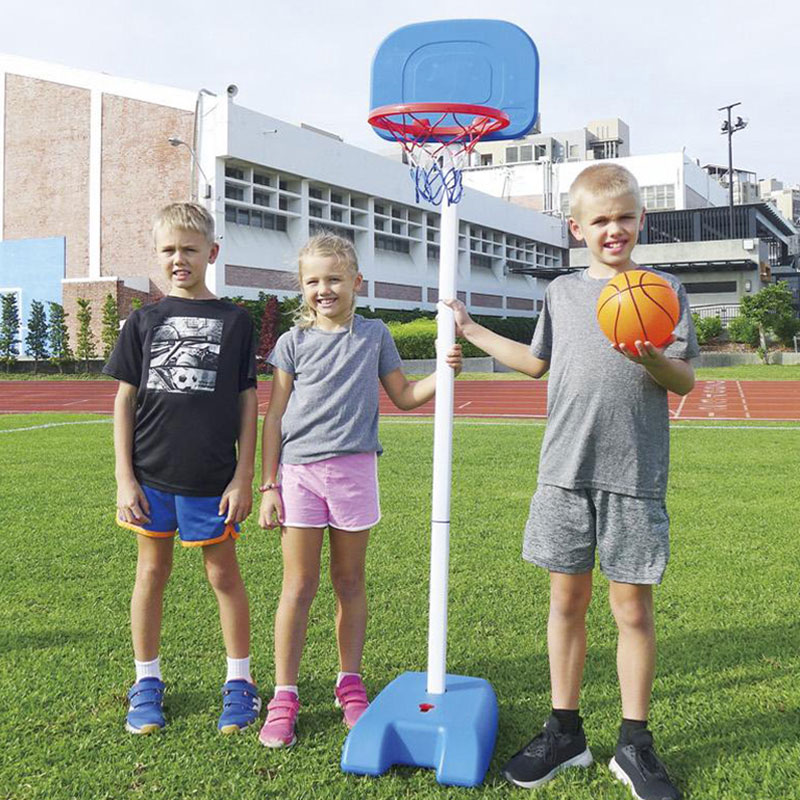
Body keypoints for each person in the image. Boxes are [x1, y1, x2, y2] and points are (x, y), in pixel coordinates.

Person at [446, 164, 698, 800]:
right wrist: (472, 331)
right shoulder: (560, 292)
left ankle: (634, 744)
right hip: (564, 472)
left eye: (625, 217)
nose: (614, 229)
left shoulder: (664, 290)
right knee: (566, 602)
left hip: (634, 475)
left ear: (641, 220)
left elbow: (684, 382)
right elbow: (536, 364)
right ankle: (565, 733)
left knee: (632, 608)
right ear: (576, 228)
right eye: (601, 220)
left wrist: (653, 357)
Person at [257, 232, 462, 748]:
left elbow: (405, 395)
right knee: (298, 587)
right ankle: (284, 695)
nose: (323, 289)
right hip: (299, 475)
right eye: (313, 281)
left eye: (334, 279)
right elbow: (274, 416)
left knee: (349, 582)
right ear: (302, 286)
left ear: (356, 282)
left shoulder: (374, 334)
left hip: (355, 473)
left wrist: (445, 372)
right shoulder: (292, 343)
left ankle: (349, 683)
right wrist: (269, 484)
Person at [104, 202, 261, 735]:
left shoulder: (236, 321)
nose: (179, 259)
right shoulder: (142, 321)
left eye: (190, 249)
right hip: (151, 477)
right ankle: (146, 681)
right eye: (169, 249)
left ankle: (239, 682)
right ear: (157, 253)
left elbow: (247, 402)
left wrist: (243, 476)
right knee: (151, 574)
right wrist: (125, 477)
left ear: (211, 252)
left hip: (212, 480)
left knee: (223, 575)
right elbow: (125, 401)